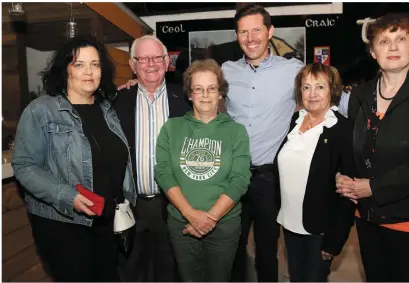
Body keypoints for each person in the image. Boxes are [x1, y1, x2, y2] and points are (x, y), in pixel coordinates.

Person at [336, 13, 409, 282]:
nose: (392, 47)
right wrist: (342, 176)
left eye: (400, 39)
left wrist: (374, 187)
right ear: (372, 51)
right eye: (384, 40)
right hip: (367, 214)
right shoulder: (360, 95)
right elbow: (352, 147)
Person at [11, 35, 136, 281]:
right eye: (79, 64)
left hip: (106, 222)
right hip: (64, 226)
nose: (89, 71)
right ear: (65, 69)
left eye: (95, 64)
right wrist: (69, 197)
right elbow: (24, 166)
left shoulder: (107, 109)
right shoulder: (41, 110)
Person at [222, 4, 304, 282]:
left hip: (270, 179)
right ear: (237, 36)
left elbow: (325, 94)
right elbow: (196, 92)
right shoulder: (226, 71)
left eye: (257, 30)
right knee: (232, 247)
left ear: (271, 31)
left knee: (267, 251)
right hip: (233, 174)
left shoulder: (294, 70)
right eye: (243, 32)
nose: (250, 37)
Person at [155, 59, 251, 281]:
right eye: (198, 89)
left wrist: (210, 219)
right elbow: (163, 172)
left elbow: (240, 180)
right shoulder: (171, 128)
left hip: (224, 227)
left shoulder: (237, 132)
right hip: (182, 226)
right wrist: (191, 215)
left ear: (220, 93)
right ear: (190, 94)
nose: (205, 95)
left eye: (211, 88)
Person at [113, 35, 191, 282]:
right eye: (143, 58)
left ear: (167, 61)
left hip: (174, 203)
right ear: (132, 65)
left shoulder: (186, 100)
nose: (150, 64)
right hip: (130, 203)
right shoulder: (116, 100)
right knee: (131, 270)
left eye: (157, 57)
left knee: (171, 270)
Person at [277, 63, 356, 282]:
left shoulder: (343, 129)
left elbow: (348, 193)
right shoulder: (295, 121)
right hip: (290, 225)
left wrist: (335, 241)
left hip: (320, 231)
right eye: (306, 87)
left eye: (320, 87)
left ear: (332, 90)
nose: (312, 94)